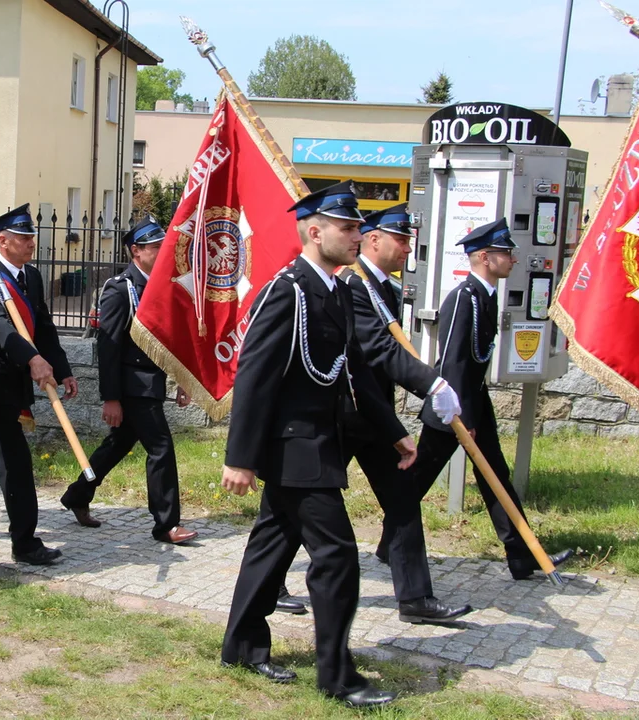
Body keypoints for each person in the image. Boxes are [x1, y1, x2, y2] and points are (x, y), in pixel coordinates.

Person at [220, 181, 415, 709]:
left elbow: (354, 369)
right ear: (315, 230)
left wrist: (392, 430)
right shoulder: (287, 290)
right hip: (294, 448)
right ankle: (339, 678)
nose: (358, 236)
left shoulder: (338, 290)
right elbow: (255, 375)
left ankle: (240, 645)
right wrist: (239, 457)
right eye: (348, 227)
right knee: (336, 557)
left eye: (358, 227)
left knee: (271, 546)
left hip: (321, 442)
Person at [394, 217, 574, 581]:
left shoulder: (485, 297)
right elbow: (455, 360)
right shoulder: (465, 298)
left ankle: (521, 558)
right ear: (484, 257)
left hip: (474, 402)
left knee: (496, 476)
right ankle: (390, 544)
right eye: (506, 253)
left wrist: (477, 412)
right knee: (418, 479)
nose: (514, 259)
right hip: (454, 408)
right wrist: (465, 419)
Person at [334, 204, 472, 623]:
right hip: (341, 414)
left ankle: (415, 598)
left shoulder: (385, 289)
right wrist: (431, 383)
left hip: (375, 416)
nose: (408, 248)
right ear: (373, 240)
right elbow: (378, 347)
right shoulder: (353, 285)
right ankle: (273, 582)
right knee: (292, 506)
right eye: (401, 239)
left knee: (402, 500)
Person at [60, 216, 198, 544]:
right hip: (132, 386)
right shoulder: (120, 289)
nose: (163, 251)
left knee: (118, 445)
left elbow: (169, 338)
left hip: (151, 382)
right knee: (161, 448)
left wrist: (182, 379)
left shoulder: (161, 285)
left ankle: (77, 495)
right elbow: (107, 346)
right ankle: (166, 524)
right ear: (136, 251)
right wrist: (111, 397)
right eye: (155, 247)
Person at [0, 203, 77, 565]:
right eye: (23, 237)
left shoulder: (31, 277)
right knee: (14, 463)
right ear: (2, 241)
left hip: (18, 381)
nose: (31, 243)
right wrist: (32, 359)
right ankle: (25, 543)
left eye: (32, 236)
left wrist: (62, 369)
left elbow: (42, 327)